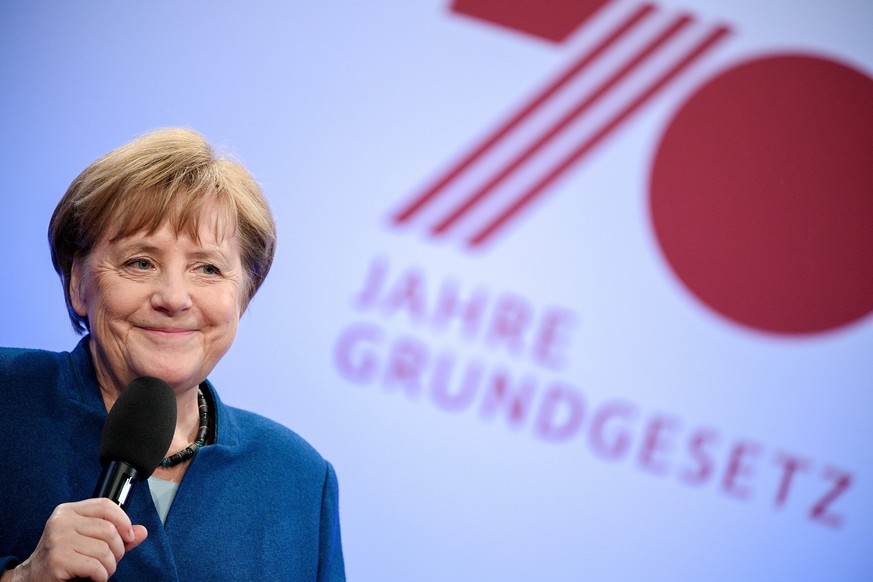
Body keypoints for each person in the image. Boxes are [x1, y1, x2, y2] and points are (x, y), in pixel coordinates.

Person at [0, 128, 345, 581]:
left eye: (207, 268)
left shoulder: (298, 478)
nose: (174, 297)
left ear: (242, 297)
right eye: (140, 262)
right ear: (78, 283)